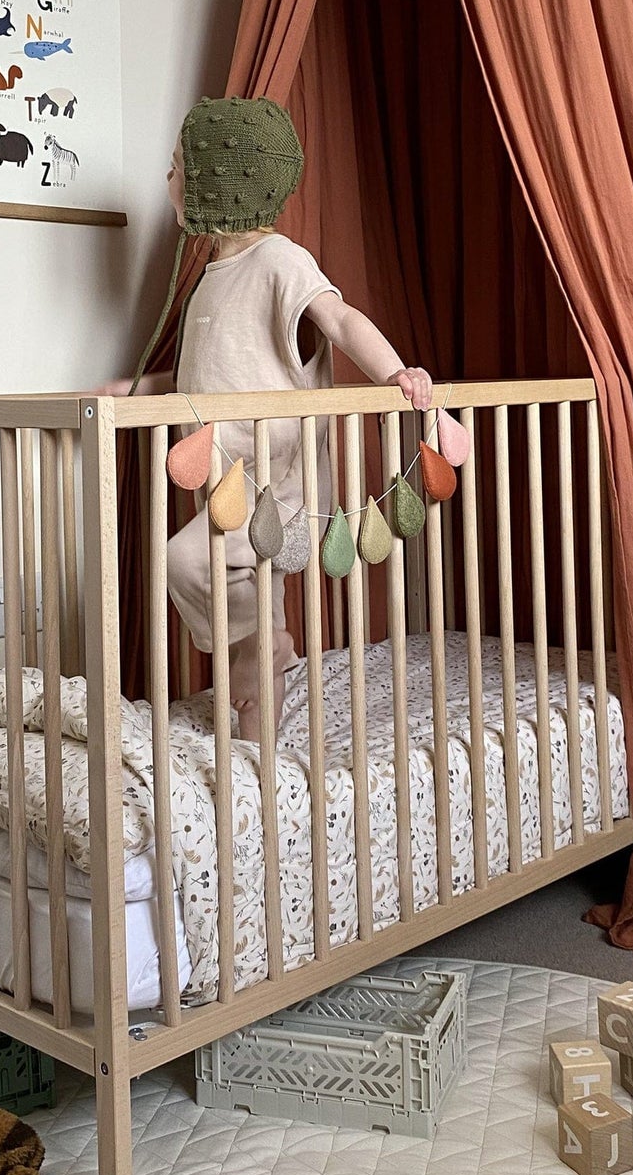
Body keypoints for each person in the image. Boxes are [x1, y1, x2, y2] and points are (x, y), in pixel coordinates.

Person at [98, 97, 432, 742]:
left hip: (281, 487)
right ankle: (259, 755)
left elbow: (338, 318)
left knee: (186, 563)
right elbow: (217, 375)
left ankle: (264, 650)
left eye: (176, 169)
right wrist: (142, 389)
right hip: (233, 485)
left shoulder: (280, 261)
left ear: (216, 181)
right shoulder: (210, 277)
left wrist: (396, 372)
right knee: (257, 601)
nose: (168, 182)